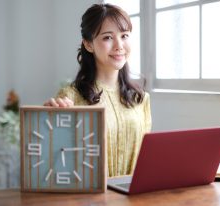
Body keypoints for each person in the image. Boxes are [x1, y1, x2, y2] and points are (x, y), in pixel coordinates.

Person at [44, 3, 152, 177]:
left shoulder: (141, 98)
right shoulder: (69, 97)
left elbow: (146, 157)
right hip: (90, 199)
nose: (119, 46)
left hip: (133, 197)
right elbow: (57, 159)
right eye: (107, 37)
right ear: (88, 44)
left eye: (124, 36)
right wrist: (49, 125)